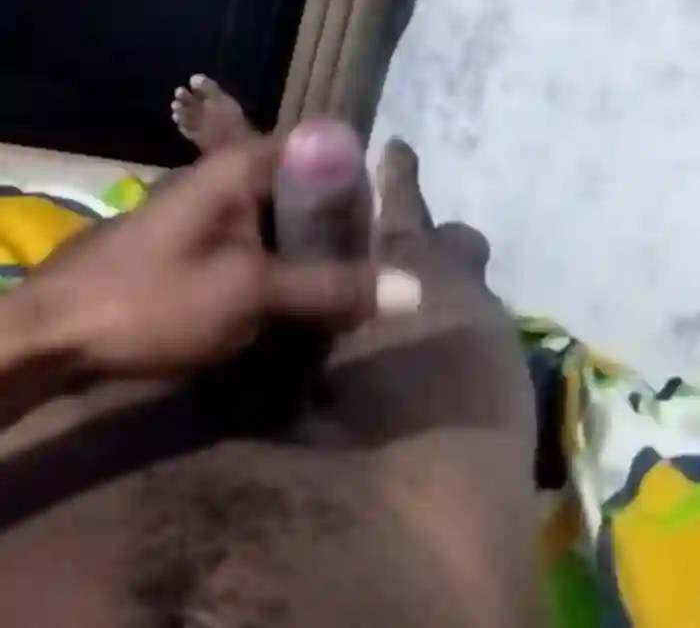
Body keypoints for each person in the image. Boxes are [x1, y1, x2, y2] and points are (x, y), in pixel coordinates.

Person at [0, 78, 540, 627]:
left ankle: (237, 197)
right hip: (401, 530)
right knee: (443, 287)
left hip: (81, 436)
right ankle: (404, 225)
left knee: (142, 282)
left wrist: (44, 326)